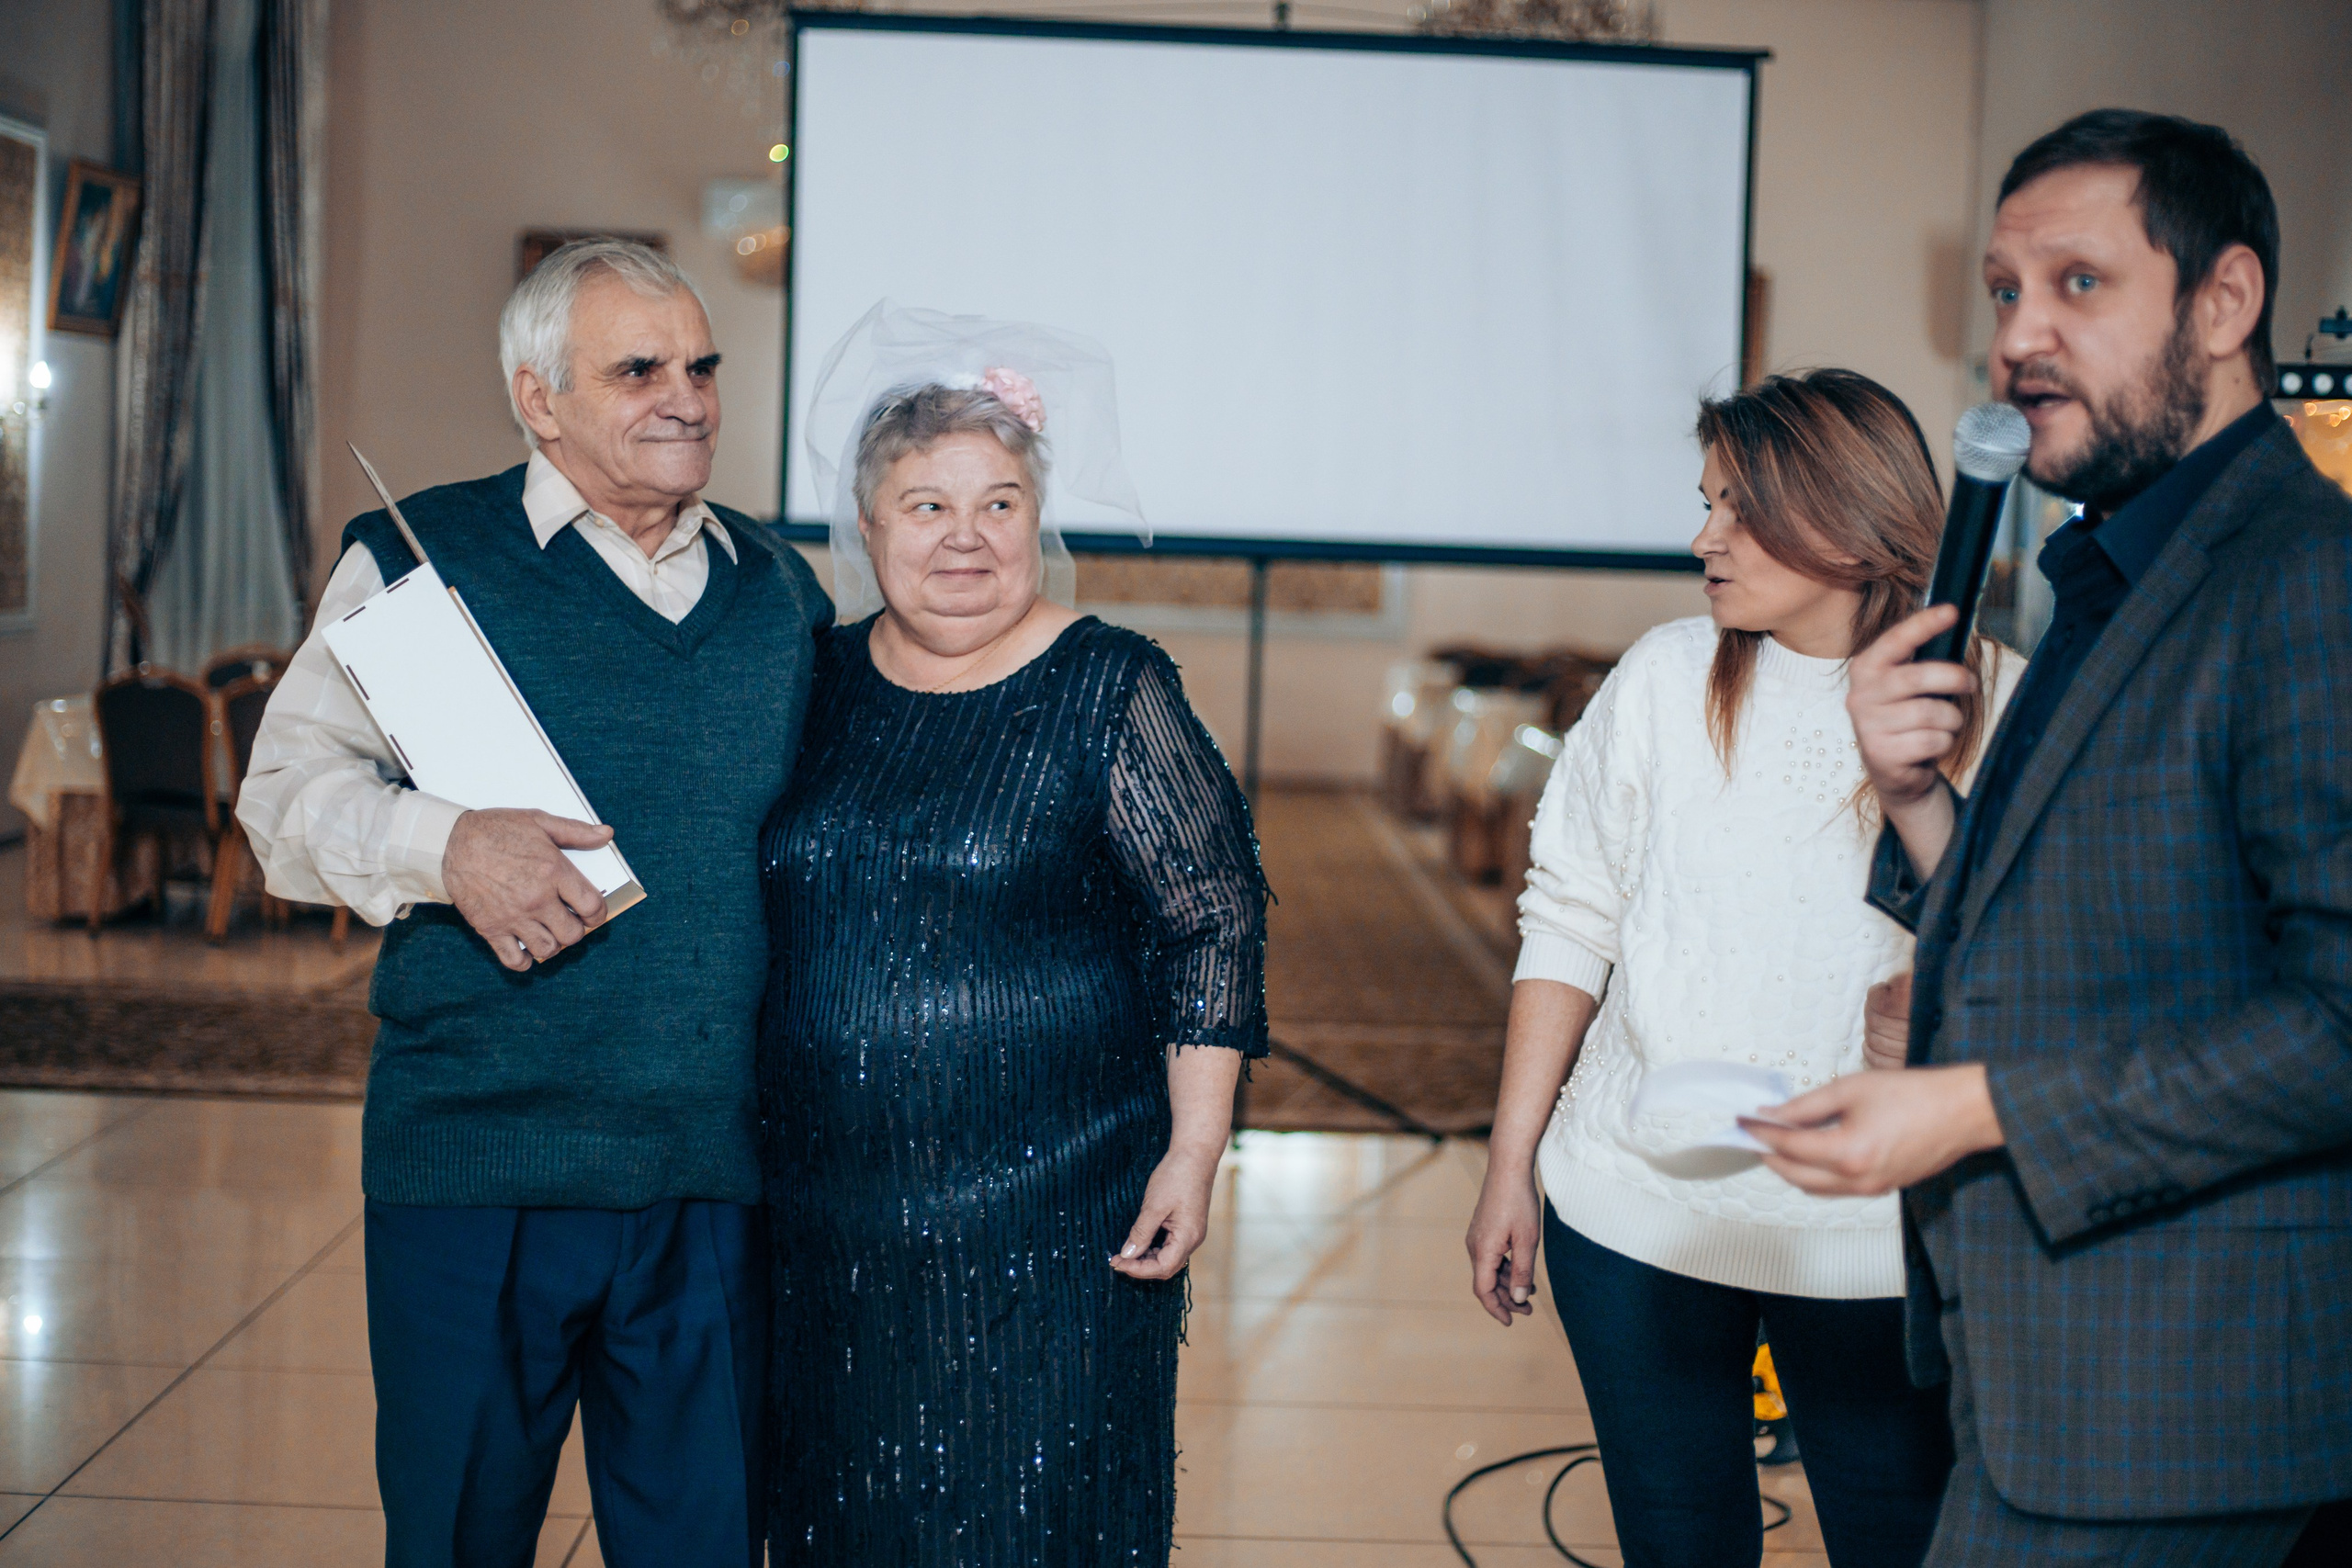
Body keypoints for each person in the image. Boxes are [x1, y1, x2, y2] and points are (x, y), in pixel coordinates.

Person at [1749, 110, 2352, 1564]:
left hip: (2178, 1405)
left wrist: (1970, 1108)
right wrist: (1913, 796)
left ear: (2223, 303)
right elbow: (2079, 921)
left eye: (2079, 285)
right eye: (2006, 292)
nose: (2022, 337)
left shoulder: (2302, 581)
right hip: (2049, 1371)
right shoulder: (2112, 564)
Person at [240, 238, 831, 1568]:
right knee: (459, 1538)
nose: (687, 395)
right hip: (479, 1169)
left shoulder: (785, 592)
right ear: (538, 398)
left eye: (701, 364)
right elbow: (279, 804)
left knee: (711, 1545)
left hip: (716, 1177)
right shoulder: (419, 559)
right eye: (639, 368)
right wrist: (445, 845)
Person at [1465, 369, 2022, 1568]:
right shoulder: (1667, 677)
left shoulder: (1999, 697)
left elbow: (2048, 956)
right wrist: (1510, 1163)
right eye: (1705, 500)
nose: (1702, 536)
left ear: (1850, 516)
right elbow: (1569, 917)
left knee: (1902, 1541)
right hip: (1633, 1214)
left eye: (1738, 506)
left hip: (1876, 1241)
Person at [758, 320, 1268, 1565]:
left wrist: (1195, 1153)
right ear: (866, 526)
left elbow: (1212, 918)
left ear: (1039, 520)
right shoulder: (807, 682)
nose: (967, 535)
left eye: (1001, 502)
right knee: (845, 1513)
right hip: (824, 1216)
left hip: (1057, 1213)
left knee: (1036, 1516)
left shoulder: (1112, 687)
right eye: (925, 504)